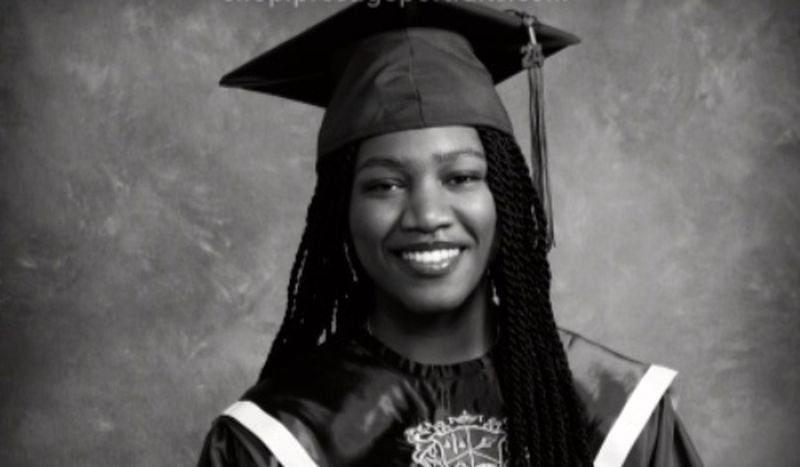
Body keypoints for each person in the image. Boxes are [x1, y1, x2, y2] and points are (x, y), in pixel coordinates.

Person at [199, 1, 703, 466]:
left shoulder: (617, 414)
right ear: (341, 212)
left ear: (504, 197)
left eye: (461, 177)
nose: (427, 213)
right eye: (385, 185)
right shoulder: (279, 438)